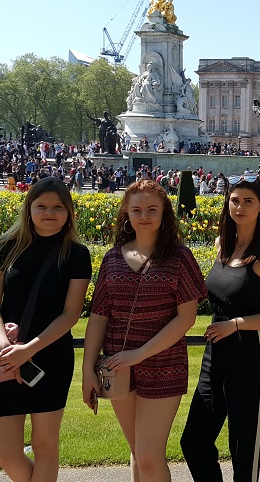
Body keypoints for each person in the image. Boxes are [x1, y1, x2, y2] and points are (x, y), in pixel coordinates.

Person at [83, 179, 206, 482]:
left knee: (149, 456)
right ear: (126, 213)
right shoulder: (112, 258)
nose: (144, 216)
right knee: (138, 452)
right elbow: (98, 316)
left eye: (152, 209)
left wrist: (139, 354)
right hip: (118, 366)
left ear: (164, 213)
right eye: (137, 210)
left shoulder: (180, 257)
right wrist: (88, 370)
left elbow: (186, 318)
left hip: (163, 364)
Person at [181, 172, 260, 482]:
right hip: (216, 351)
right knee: (194, 441)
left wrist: (238, 325)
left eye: (248, 201)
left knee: (243, 447)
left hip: (252, 353)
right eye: (235, 200)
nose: (240, 207)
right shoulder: (222, 244)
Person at [0, 177, 92, 482]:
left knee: (45, 445)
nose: (49, 213)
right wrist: (4, 345)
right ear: (28, 208)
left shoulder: (76, 254)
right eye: (41, 206)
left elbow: (71, 314)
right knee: (4, 453)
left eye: (58, 207)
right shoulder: (5, 246)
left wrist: (28, 350)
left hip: (50, 357)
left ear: (69, 212)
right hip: (6, 355)